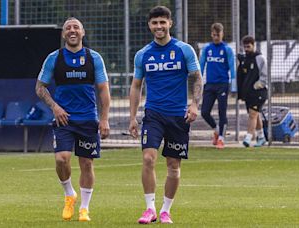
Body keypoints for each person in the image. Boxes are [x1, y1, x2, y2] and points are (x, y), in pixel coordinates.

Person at [128, 6, 203, 224]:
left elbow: (197, 78)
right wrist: (133, 117)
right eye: (155, 23)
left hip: (178, 116)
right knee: (148, 158)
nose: (159, 26)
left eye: (163, 22)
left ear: (170, 23)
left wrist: (194, 105)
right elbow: (136, 86)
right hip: (153, 115)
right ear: (149, 26)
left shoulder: (184, 50)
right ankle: (149, 209)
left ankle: (165, 210)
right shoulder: (143, 54)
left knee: (173, 166)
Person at [35, 17, 110, 222]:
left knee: (86, 163)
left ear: (83, 32)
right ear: (63, 34)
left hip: (87, 119)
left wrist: (104, 119)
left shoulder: (94, 58)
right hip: (64, 119)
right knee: (62, 159)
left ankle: (84, 208)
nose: (72, 30)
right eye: (68, 28)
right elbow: (40, 87)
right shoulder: (54, 58)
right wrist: (55, 107)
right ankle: (69, 194)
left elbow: (103, 90)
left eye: (76, 27)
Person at [199, 22, 236, 149]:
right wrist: (198, 81)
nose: (216, 37)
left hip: (222, 84)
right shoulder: (207, 49)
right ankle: (216, 129)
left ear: (222, 34)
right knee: (204, 112)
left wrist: (234, 86)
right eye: (214, 35)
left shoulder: (227, 49)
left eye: (218, 35)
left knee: (222, 112)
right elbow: (201, 66)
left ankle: (221, 138)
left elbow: (232, 68)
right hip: (209, 85)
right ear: (211, 34)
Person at [236, 35, 268, 147]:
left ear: (253, 45)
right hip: (249, 93)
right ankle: (261, 137)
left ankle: (248, 137)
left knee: (253, 114)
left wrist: (258, 85)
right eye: (245, 47)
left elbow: (265, 75)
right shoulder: (245, 59)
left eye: (248, 46)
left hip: (259, 92)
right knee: (254, 114)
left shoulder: (260, 58)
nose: (246, 49)